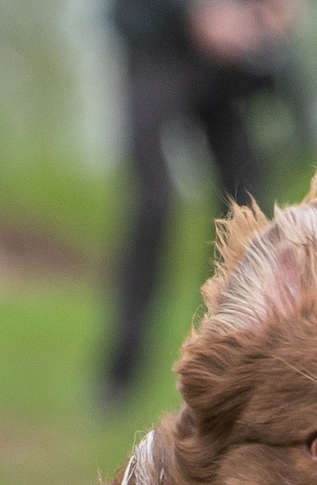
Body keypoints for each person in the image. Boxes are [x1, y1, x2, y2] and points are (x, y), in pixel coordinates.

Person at [100, 0, 303, 412]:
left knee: (248, 210)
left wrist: (273, 24)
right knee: (154, 204)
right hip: (155, 53)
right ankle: (119, 377)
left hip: (225, 73)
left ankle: (230, 365)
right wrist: (194, 16)